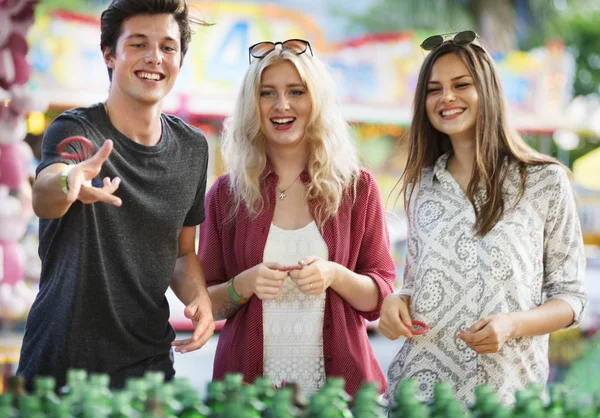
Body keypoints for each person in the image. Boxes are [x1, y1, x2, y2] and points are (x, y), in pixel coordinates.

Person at [379, 31, 587, 405]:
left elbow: (571, 298)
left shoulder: (544, 181)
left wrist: (513, 325)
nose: (446, 98)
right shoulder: (419, 185)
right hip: (419, 398)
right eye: (433, 89)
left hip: (506, 396)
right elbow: (414, 283)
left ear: (487, 91)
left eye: (461, 84)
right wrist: (397, 301)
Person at [17, 0, 215, 389]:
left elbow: (182, 253)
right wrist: (69, 182)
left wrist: (200, 298)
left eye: (168, 47)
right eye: (138, 44)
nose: (155, 57)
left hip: (149, 369)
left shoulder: (194, 147)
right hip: (60, 367)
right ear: (109, 54)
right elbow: (44, 194)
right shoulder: (77, 130)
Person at [197, 39, 396, 398]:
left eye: (296, 91)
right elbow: (204, 303)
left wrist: (334, 274)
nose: (282, 105)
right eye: (267, 93)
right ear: (251, 105)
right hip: (248, 392)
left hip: (339, 394)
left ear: (316, 101)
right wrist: (243, 284)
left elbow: (379, 298)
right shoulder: (226, 194)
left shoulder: (357, 188)